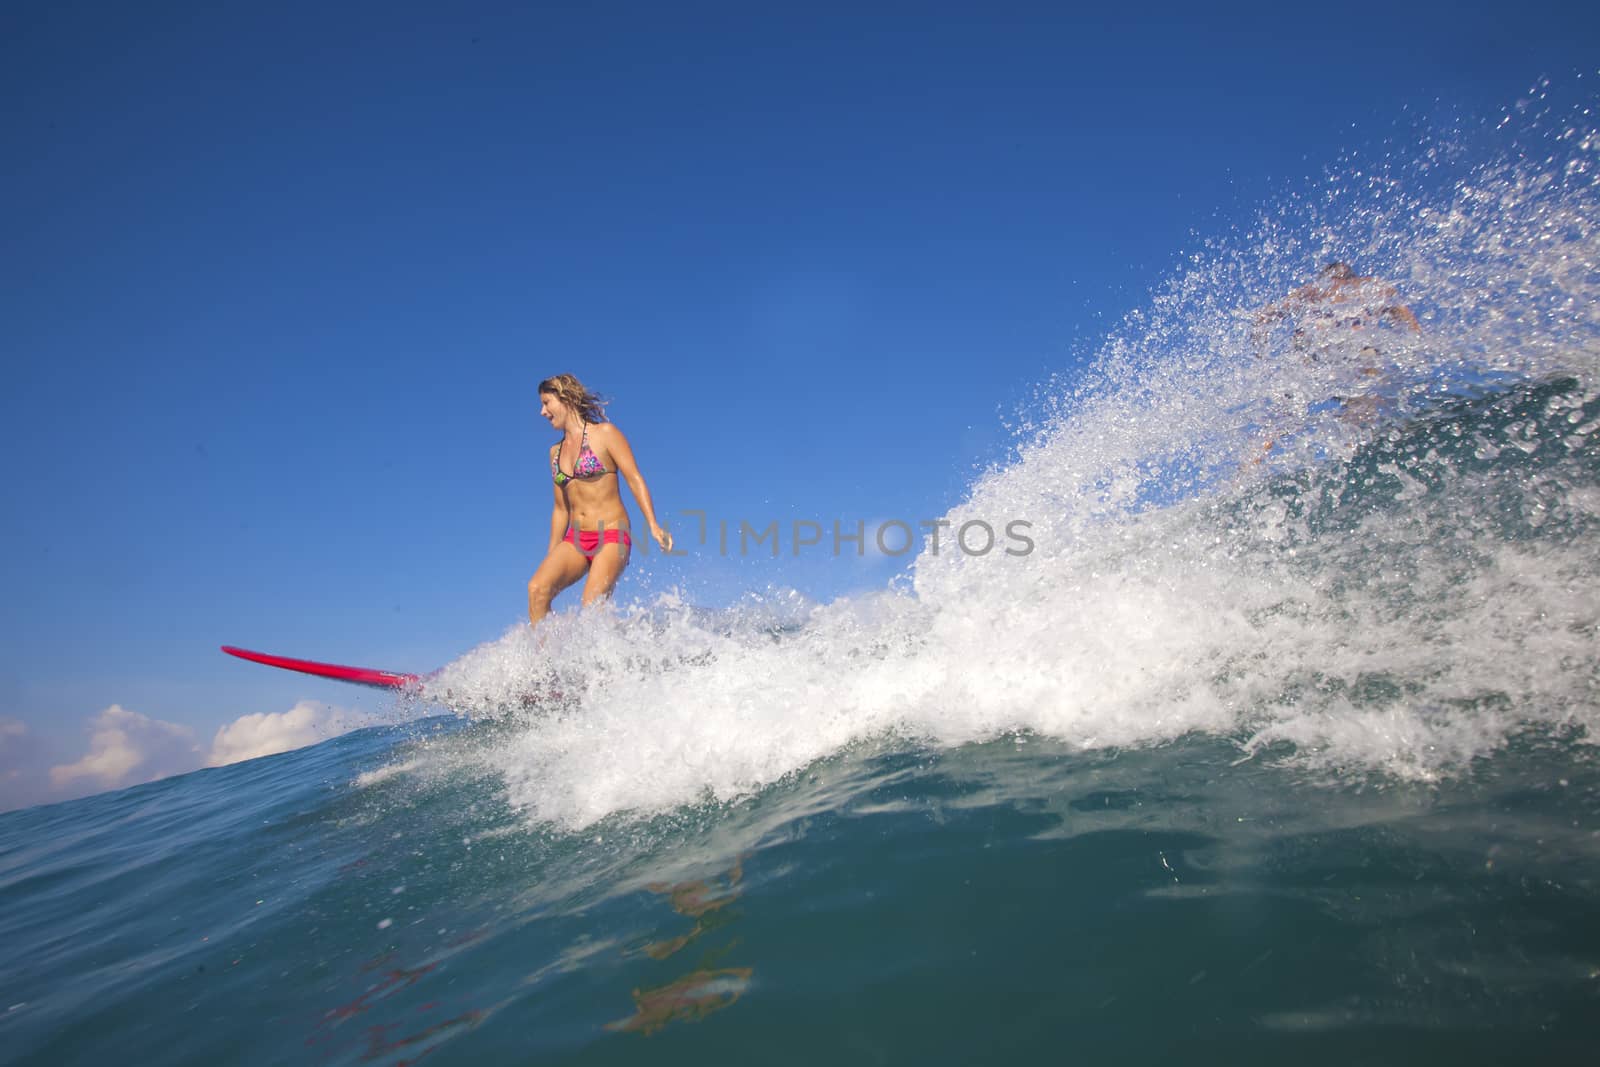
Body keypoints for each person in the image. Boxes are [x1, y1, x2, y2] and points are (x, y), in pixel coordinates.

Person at [527, 374, 673, 625]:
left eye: (546, 402)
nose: (542, 411)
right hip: (575, 540)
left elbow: (634, 478)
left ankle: (608, 659)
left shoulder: (605, 434)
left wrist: (653, 524)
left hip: (612, 535)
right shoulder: (554, 453)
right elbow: (561, 509)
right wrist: (551, 555)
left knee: (591, 606)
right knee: (537, 589)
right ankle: (546, 659)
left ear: (566, 398)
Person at [1250, 262, 1423, 459]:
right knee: (1364, 400)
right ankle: (1349, 453)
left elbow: (1263, 317)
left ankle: (1248, 468)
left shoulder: (1312, 291)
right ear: (1350, 275)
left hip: (1314, 351)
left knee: (1283, 416)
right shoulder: (1371, 286)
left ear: (1326, 276)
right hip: (1357, 350)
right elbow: (1409, 323)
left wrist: (1261, 352)